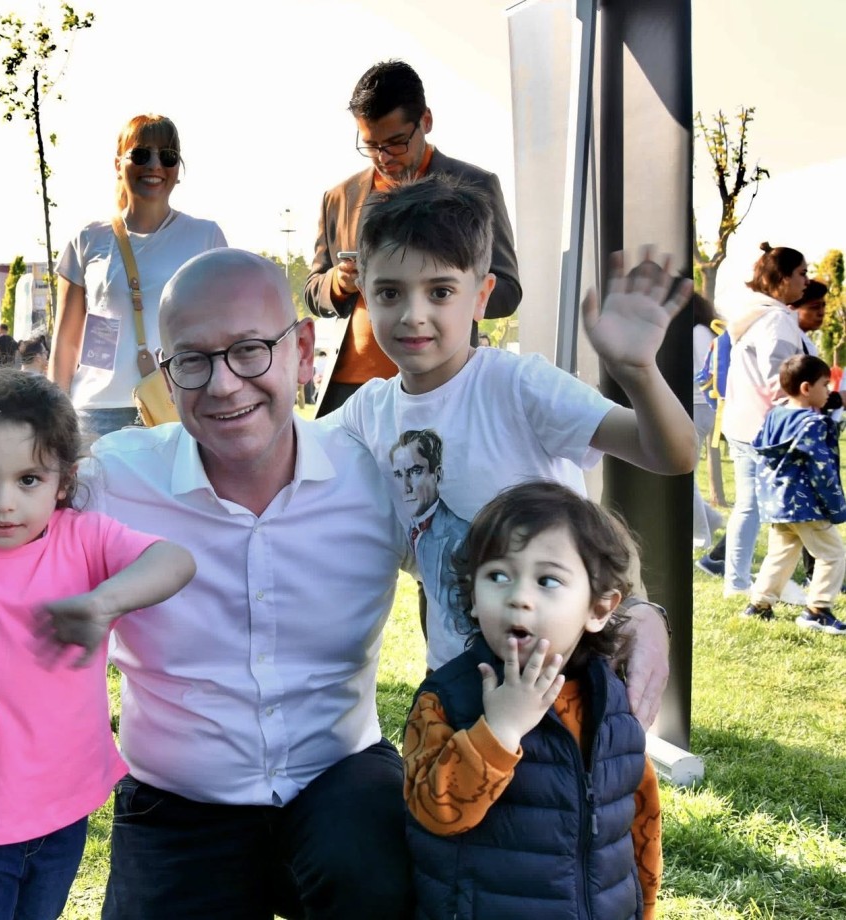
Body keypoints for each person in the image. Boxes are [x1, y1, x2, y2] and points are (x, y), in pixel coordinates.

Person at [80, 248, 414, 918]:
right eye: (193, 360)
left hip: (339, 777)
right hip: (178, 798)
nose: (225, 384)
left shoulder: (376, 476)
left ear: (303, 350)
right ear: (166, 375)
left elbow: (497, 552)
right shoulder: (114, 483)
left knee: (385, 884)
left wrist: (626, 609)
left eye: (249, 350)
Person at [332, 174, 693, 676]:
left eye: (440, 291)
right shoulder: (366, 411)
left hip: (564, 674)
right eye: (390, 292)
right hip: (458, 678)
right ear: (365, 297)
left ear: (481, 296)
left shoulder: (521, 385)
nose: (414, 314)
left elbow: (672, 454)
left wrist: (638, 371)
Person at [0, 369, 195, 920]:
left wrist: (104, 602)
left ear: (63, 481)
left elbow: (175, 561)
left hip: (64, 806)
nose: (4, 502)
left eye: (28, 479)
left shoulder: (85, 538)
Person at [403, 481, 661, 920]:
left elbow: (638, 824)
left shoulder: (612, 702)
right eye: (498, 576)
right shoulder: (447, 700)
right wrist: (499, 731)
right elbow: (435, 812)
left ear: (599, 609)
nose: (519, 598)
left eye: (547, 580)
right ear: (473, 597)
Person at [305, 59, 522, 416]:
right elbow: (314, 291)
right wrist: (339, 283)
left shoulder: (475, 186)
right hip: (349, 390)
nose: (383, 158)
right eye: (371, 145)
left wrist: (445, 287)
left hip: (437, 388)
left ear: (426, 121)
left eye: (395, 142)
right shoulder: (339, 197)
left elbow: (507, 290)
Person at [49, 114, 227, 436]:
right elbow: (66, 343)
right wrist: (51, 420)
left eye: (168, 156)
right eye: (142, 154)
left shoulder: (206, 237)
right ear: (118, 163)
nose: (155, 165)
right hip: (96, 413)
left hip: (177, 406)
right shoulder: (88, 240)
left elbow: (222, 332)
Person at [715, 243, 811, 597]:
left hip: (744, 423)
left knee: (750, 506)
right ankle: (753, 584)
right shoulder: (776, 319)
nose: (806, 280)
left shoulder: (753, 314)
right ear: (782, 278)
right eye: (801, 273)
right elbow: (780, 377)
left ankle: (741, 582)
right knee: (768, 509)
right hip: (768, 428)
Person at [741, 354, 846, 632]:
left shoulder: (774, 416)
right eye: (825, 385)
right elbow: (822, 471)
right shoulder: (812, 425)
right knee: (833, 554)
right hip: (807, 505)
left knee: (781, 553)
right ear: (806, 388)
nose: (829, 391)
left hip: (777, 502)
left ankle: (759, 605)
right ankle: (818, 610)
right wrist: (836, 506)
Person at [390, 429, 468, 637]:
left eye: (415, 471)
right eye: (398, 474)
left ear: (437, 474)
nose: (406, 486)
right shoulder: (413, 526)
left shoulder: (459, 537)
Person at [690, 292, 724, 550]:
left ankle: (701, 537)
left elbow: (706, 373)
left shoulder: (698, 332)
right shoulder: (703, 331)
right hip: (698, 407)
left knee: (684, 475)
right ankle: (711, 520)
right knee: (685, 474)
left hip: (698, 407)